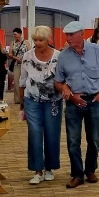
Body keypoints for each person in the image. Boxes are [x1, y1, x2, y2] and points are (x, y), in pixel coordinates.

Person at [54, 20, 99, 189]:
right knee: (73, 140)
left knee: (94, 139)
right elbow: (57, 82)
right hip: (73, 103)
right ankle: (77, 174)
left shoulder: (97, 50)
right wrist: (67, 92)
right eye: (66, 35)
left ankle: (90, 170)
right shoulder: (63, 56)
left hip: (95, 101)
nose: (68, 38)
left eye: (71, 35)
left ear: (81, 34)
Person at [20, 26, 62, 185]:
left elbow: (63, 78)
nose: (37, 43)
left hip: (53, 101)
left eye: (41, 40)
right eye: (35, 40)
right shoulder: (27, 56)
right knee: (35, 133)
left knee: (52, 133)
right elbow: (22, 79)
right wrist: (21, 102)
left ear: (48, 40)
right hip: (31, 99)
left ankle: (49, 168)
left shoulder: (58, 56)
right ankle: (37, 170)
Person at [8, 28, 29, 102]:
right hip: (16, 64)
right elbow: (10, 54)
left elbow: (30, 52)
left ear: (20, 34)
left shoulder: (26, 42)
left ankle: (25, 97)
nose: (14, 36)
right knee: (17, 81)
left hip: (26, 64)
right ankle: (17, 99)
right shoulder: (13, 43)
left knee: (26, 81)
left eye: (15, 34)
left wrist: (24, 58)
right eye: (13, 34)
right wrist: (16, 58)